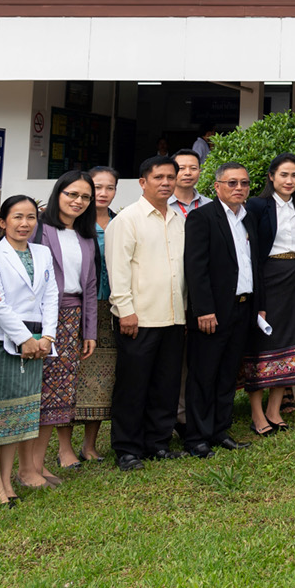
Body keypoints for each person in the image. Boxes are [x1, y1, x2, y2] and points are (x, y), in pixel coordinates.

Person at [106, 155, 187, 471]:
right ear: (143, 182)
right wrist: (125, 311)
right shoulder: (127, 220)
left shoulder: (178, 218)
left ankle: (157, 443)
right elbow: (118, 269)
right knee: (132, 386)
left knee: (165, 385)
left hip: (173, 316)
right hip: (137, 319)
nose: (166, 183)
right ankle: (127, 449)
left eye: (170, 177)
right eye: (159, 178)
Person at [0, 195, 59, 501]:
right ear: (2, 222)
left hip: (38, 341)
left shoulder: (43, 252)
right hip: (3, 339)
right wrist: (23, 338)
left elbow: (51, 295)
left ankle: (8, 480)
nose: (25, 224)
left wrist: (47, 337)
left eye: (31, 218)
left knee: (18, 413)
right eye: (17, 217)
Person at [182, 161, 259, 455]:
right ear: (217, 187)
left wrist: (258, 306)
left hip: (242, 306)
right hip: (212, 312)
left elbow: (254, 266)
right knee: (204, 374)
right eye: (232, 183)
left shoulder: (248, 218)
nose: (239, 188)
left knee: (228, 373)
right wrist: (203, 309)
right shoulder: (202, 218)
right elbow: (196, 267)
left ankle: (219, 430)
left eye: (244, 183)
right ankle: (196, 438)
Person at [243, 155, 295, 437]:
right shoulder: (258, 205)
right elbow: (252, 253)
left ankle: (274, 409)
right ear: (271, 176)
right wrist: (258, 299)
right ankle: (256, 413)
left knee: (288, 344)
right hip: (267, 278)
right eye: (284, 175)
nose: (290, 180)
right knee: (261, 344)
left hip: (294, 278)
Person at [35, 172, 98, 471]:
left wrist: (89, 330)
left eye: (85, 197)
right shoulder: (39, 229)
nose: (78, 201)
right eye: (72, 194)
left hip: (73, 319)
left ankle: (40, 461)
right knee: (41, 389)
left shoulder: (85, 236)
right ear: (58, 193)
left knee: (61, 390)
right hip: (42, 319)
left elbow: (90, 285)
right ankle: (32, 464)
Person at [73, 165, 120, 462]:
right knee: (70, 377)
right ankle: (65, 447)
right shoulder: (74, 222)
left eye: (109, 188)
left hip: (111, 309)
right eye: (97, 187)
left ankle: (90, 445)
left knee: (103, 381)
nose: (103, 194)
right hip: (77, 307)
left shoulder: (120, 221)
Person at [171, 149, 208, 216]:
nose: (188, 173)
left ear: (199, 172)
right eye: (181, 168)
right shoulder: (161, 204)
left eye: (193, 168)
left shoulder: (209, 204)